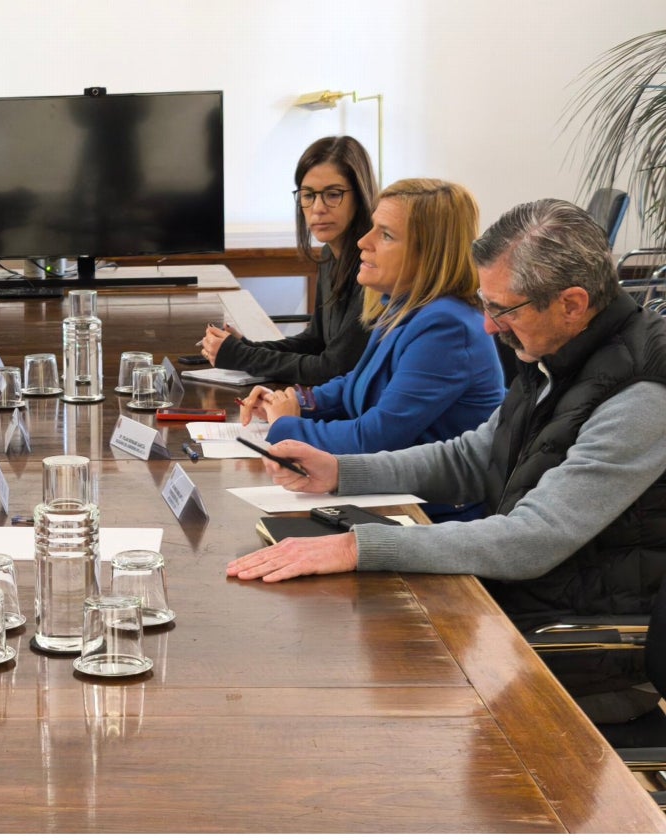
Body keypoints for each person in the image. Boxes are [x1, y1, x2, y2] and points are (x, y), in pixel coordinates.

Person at [227, 198, 666, 722]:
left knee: (345, 698)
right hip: (510, 605)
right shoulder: (558, 350)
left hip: (570, 644)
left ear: (572, 303)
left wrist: (358, 546)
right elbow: (476, 456)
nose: (487, 326)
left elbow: (534, 538)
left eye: (502, 309)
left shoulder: (643, 393)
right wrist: (342, 471)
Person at [238, 179, 503, 521]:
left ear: (430, 254)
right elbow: (355, 384)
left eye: (386, 235)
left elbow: (374, 438)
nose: (363, 242)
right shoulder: (404, 305)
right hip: (388, 496)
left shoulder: (447, 327)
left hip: (430, 516)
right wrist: (298, 402)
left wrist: (287, 425)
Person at [199, 136, 375, 383]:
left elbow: (334, 367)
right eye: (308, 195)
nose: (318, 208)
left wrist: (243, 356)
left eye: (333, 194)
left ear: (361, 195)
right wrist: (246, 347)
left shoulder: (373, 268)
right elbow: (315, 340)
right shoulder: (329, 254)